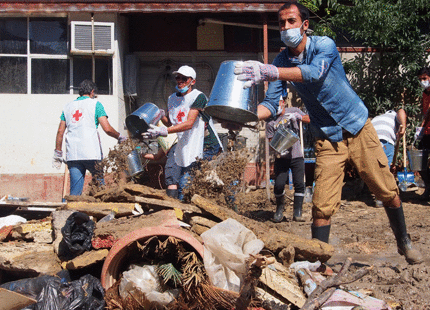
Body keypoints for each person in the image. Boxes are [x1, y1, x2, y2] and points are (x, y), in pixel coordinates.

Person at [233, 1, 422, 264]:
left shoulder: (324, 45)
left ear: (304, 25)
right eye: (281, 23)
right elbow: (270, 104)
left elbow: (314, 73)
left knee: (387, 191)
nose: (286, 27)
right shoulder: (280, 60)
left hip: (357, 128)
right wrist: (244, 117)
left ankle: (404, 242)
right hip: (327, 138)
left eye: (291, 21)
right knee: (321, 205)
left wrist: (272, 72)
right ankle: (318, 264)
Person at [142, 65, 223, 200]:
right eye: (178, 78)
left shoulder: (199, 97)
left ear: (193, 81)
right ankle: (184, 213)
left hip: (206, 145)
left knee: (188, 182)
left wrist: (164, 130)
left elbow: (189, 123)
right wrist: (162, 116)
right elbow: (172, 122)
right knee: (190, 181)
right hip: (188, 145)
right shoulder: (172, 99)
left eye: (184, 78)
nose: (180, 81)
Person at [53, 79, 127, 196]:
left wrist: (58, 152)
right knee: (99, 189)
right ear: (92, 92)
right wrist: (119, 136)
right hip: (92, 153)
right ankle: (100, 212)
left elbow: (60, 131)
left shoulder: (68, 107)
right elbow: (107, 128)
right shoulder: (95, 104)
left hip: (73, 154)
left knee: (75, 193)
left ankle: (73, 212)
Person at [266, 96, 310, 222]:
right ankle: (279, 209)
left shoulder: (294, 111)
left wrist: (299, 117)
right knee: (279, 185)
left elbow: (309, 119)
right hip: (281, 157)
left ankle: (298, 213)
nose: (276, 106)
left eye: (277, 103)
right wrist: (277, 148)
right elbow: (270, 141)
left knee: (299, 184)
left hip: (296, 155)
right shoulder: (271, 121)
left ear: (283, 103)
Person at [415, 67, 430, 200]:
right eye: (420, 79)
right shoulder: (425, 93)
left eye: (424, 79)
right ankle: (428, 186)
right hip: (427, 132)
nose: (422, 82)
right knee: (420, 161)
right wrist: (420, 130)